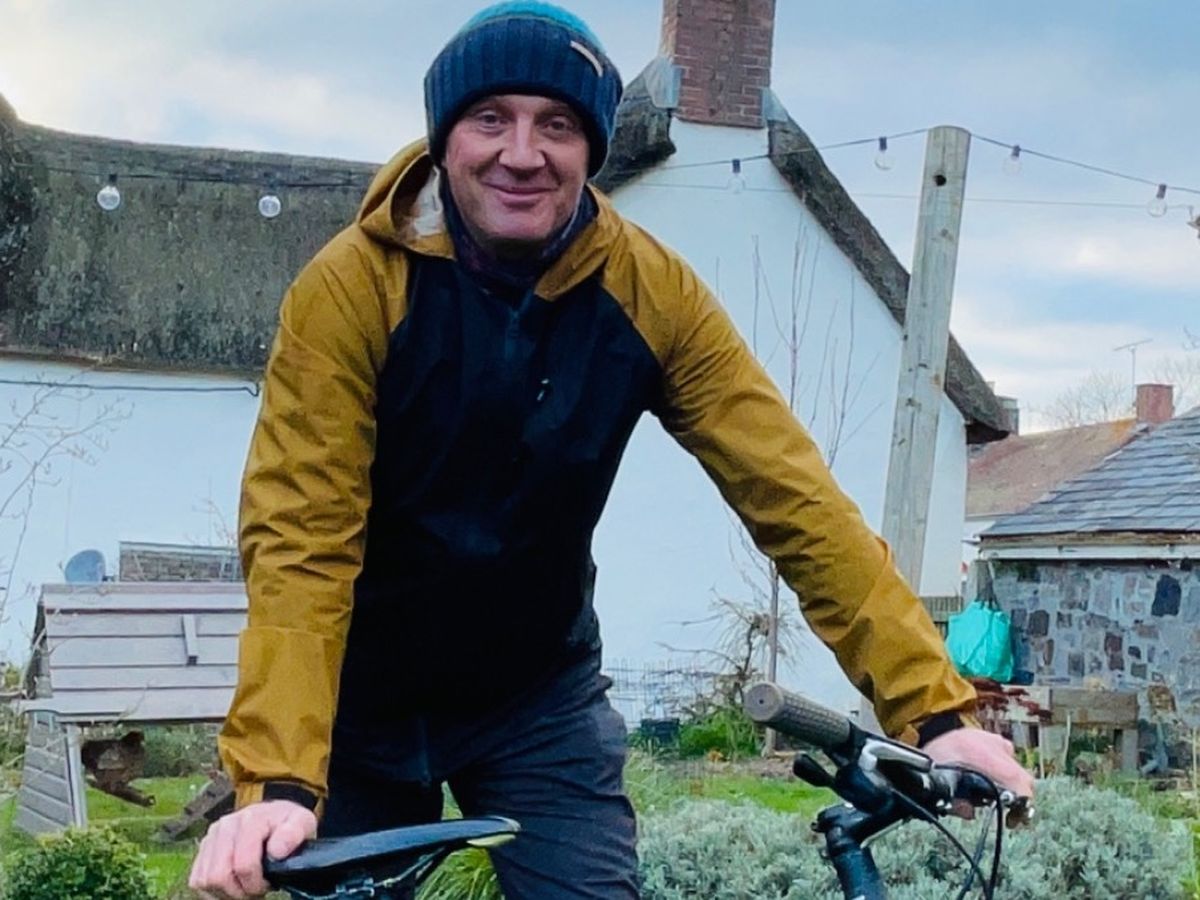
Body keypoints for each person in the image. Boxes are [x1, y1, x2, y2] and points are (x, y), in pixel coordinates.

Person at [189, 3, 1034, 898]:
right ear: (443, 139)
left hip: (534, 696)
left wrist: (934, 711)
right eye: (491, 119)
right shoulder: (351, 289)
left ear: (592, 148)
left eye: (557, 125)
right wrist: (279, 777)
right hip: (353, 700)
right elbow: (301, 540)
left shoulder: (650, 291)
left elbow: (797, 501)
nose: (522, 153)